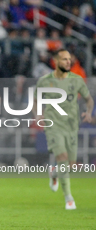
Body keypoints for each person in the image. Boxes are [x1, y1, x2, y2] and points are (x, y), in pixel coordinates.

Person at [33, 49, 94, 210]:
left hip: (71, 126)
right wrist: (38, 115)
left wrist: (88, 112)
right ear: (56, 61)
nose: (68, 62)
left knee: (71, 165)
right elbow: (35, 100)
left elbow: (89, 99)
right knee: (62, 157)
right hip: (53, 125)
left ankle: (54, 173)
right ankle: (69, 198)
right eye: (64, 59)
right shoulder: (45, 81)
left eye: (69, 59)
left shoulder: (77, 80)